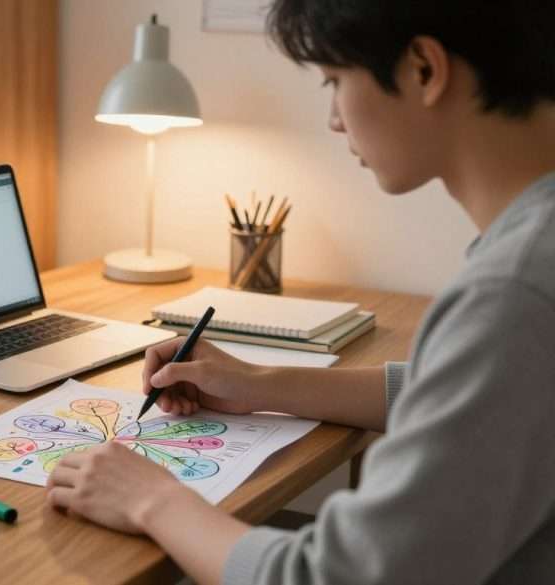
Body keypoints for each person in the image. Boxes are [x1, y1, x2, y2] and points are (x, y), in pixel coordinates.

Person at [45, 1, 555, 583]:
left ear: (423, 68)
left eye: (335, 81)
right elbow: (464, 397)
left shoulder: (515, 294)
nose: (335, 118)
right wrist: (258, 384)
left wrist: (151, 499)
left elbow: (332, 576)